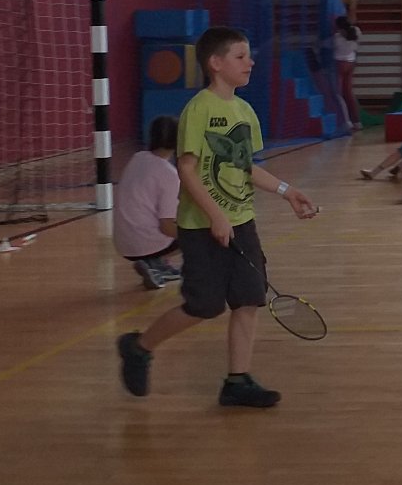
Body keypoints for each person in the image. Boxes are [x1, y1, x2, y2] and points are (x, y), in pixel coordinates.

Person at [115, 28, 319, 410]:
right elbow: (187, 169)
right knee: (204, 306)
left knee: (249, 298)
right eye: (240, 56)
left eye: (249, 56)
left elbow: (247, 167)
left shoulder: (244, 111)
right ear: (216, 63)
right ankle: (138, 347)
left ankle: (237, 381)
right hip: (201, 227)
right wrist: (215, 216)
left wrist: (286, 190)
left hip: (242, 221)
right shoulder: (199, 109)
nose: (250, 62)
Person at [112, 115, 182, 289]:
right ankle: (156, 263)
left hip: (123, 244)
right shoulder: (169, 174)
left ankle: (156, 263)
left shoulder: (138, 158)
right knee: (200, 231)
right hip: (146, 243)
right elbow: (166, 227)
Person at [331, 14, 362, 133]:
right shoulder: (356, 32)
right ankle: (357, 121)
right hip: (351, 62)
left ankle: (347, 122)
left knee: (338, 94)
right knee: (349, 93)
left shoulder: (337, 38)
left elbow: (325, 44)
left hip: (340, 63)